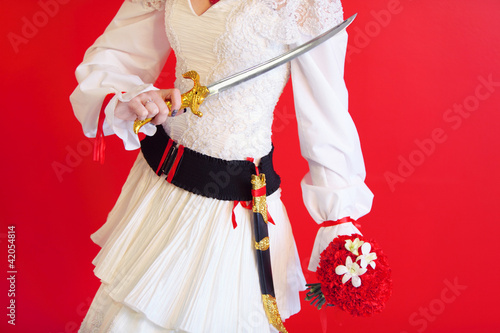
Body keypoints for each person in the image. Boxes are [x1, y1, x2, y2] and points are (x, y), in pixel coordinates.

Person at [70, 0, 374, 332]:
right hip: (160, 186)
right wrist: (132, 97)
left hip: (234, 209)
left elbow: (325, 114)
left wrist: (339, 222)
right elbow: (117, 54)